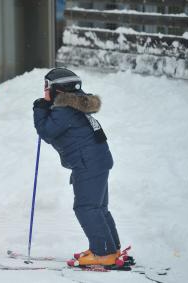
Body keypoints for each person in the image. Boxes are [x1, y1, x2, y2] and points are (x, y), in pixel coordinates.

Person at [32, 67, 125, 267]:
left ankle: (104, 253)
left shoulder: (64, 109)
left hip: (88, 162)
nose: (45, 91)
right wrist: (47, 107)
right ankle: (110, 247)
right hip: (96, 160)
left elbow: (47, 132)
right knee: (98, 207)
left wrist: (40, 109)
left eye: (47, 86)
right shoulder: (75, 104)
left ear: (58, 89)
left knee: (86, 208)